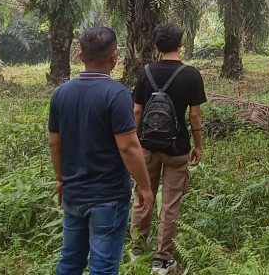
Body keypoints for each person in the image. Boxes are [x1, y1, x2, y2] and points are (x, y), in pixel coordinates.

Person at [48, 27, 154, 275]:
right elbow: (128, 147)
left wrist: (61, 177)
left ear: (81, 56)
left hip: (74, 193)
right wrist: (145, 187)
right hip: (108, 197)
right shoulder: (116, 94)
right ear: (115, 56)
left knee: (70, 261)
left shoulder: (61, 93)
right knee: (103, 267)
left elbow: (55, 142)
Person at [130, 24, 207, 275]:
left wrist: (136, 142)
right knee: (171, 202)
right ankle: (162, 259)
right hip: (177, 148)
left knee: (143, 195)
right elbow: (195, 116)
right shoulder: (191, 74)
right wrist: (199, 145)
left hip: (147, 147)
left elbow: (137, 111)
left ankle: (137, 248)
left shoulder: (145, 72)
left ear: (156, 47)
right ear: (180, 46)